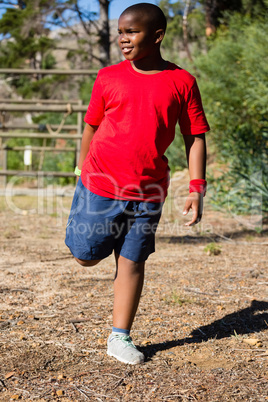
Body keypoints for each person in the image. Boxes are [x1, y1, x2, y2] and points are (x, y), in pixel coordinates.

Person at [65, 2, 210, 365]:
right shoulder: (108, 77)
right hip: (100, 184)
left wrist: (196, 187)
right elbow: (92, 126)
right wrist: (83, 169)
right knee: (85, 256)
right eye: (120, 32)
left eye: (132, 32)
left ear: (157, 36)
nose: (122, 39)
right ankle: (90, 233)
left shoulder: (182, 82)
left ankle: (120, 337)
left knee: (131, 261)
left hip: (149, 191)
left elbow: (195, 136)